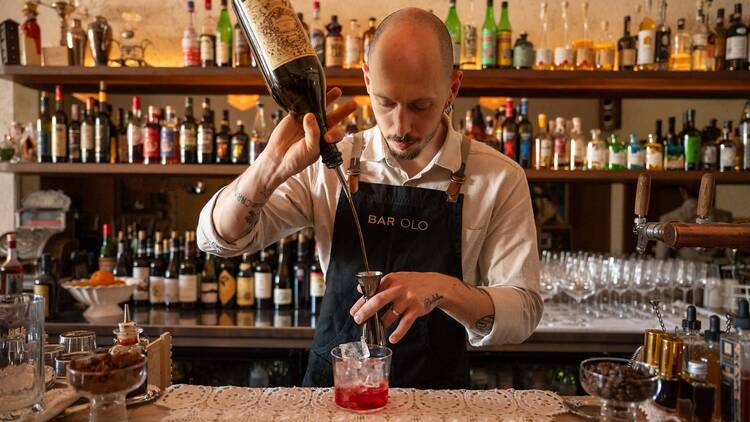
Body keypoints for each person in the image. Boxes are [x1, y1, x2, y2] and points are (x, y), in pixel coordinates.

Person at [197, 8, 542, 388]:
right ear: (366, 78)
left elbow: (523, 311)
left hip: (438, 401)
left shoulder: (499, 177)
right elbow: (218, 240)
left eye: (420, 106)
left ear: (453, 88)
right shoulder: (332, 160)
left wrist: (445, 289)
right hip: (334, 394)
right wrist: (269, 169)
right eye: (386, 102)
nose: (401, 126)